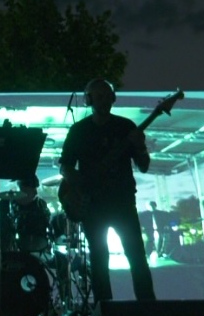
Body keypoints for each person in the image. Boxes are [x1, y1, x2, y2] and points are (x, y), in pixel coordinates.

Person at [59, 78, 156, 303]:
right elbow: (65, 166)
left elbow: (143, 166)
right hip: (93, 205)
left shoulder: (126, 127)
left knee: (137, 257)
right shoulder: (78, 131)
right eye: (98, 97)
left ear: (113, 98)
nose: (103, 101)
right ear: (89, 100)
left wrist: (140, 146)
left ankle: (148, 310)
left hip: (123, 202)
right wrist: (79, 185)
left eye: (107, 96)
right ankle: (104, 311)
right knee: (99, 259)